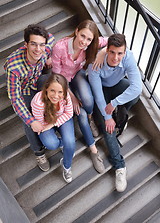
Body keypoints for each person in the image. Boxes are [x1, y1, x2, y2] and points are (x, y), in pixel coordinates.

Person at [51, 20, 108, 173]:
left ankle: (90, 119)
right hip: (63, 82)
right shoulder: (59, 48)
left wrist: (102, 52)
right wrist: (72, 97)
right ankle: (94, 151)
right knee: (80, 113)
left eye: (89, 39)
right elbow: (57, 76)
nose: (84, 42)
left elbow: (116, 39)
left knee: (88, 102)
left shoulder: (91, 45)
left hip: (77, 75)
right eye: (82, 36)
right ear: (76, 31)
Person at [88, 33, 142, 192]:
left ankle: (121, 117)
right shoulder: (95, 64)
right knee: (108, 128)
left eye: (120, 53)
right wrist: (107, 117)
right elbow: (98, 95)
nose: (116, 57)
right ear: (107, 50)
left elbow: (137, 88)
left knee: (135, 94)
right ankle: (120, 166)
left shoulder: (128, 57)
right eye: (112, 52)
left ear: (125, 52)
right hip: (102, 90)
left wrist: (115, 103)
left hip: (117, 86)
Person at [4, 24, 55, 172]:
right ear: (26, 44)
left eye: (41, 45)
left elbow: (51, 37)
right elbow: (14, 98)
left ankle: (54, 120)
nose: (38, 49)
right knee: (28, 118)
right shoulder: (13, 67)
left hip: (37, 80)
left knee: (53, 82)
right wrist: (31, 121)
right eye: (33, 44)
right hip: (24, 90)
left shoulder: (45, 49)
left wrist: (49, 57)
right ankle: (38, 151)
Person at [31, 73, 75, 183]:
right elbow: (41, 125)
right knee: (51, 143)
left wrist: (53, 123)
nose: (56, 95)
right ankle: (61, 144)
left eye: (60, 92)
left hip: (62, 118)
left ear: (64, 91)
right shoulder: (38, 102)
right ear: (46, 89)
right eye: (52, 91)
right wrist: (50, 125)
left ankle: (66, 166)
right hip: (45, 124)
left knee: (70, 142)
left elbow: (69, 113)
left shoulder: (65, 97)